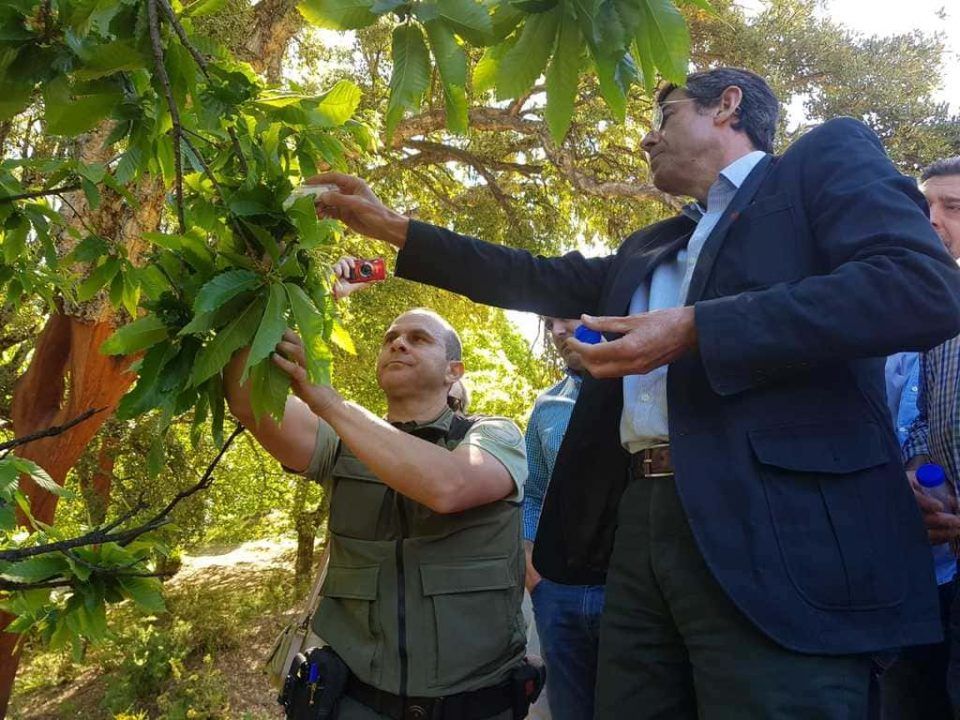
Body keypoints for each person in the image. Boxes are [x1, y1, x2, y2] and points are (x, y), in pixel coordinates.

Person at [307, 65, 960, 717]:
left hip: (780, 532)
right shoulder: (653, 245)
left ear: (727, 107)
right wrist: (394, 230)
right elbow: (529, 273)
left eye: (664, 117)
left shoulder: (820, 164)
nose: (647, 140)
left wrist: (695, 328)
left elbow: (921, 287)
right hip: (640, 526)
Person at [225, 301, 534, 719]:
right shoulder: (341, 440)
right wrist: (294, 290)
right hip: (356, 703)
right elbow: (245, 397)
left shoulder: (496, 434)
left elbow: (449, 486)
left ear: (453, 372)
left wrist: (330, 403)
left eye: (418, 339)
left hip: (475, 704)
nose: (398, 344)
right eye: (390, 338)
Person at [882, 157, 960, 719]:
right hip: (926, 569)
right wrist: (920, 476)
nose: (931, 220)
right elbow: (925, 426)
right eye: (925, 206)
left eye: (952, 208)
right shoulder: (934, 310)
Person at [523, 317, 601, 720]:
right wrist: (533, 573)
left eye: (568, 315)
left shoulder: (645, 389)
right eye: (549, 321)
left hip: (634, 590)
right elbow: (533, 493)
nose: (556, 329)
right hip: (559, 596)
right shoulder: (547, 406)